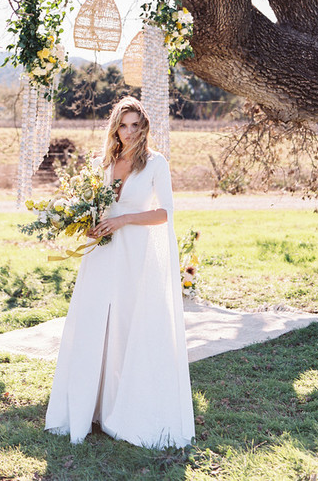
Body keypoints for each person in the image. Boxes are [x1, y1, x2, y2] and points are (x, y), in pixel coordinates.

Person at [45, 97, 195, 449]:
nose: (129, 132)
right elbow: (96, 207)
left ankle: (125, 408)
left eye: (135, 125)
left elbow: (164, 214)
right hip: (101, 254)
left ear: (144, 128)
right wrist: (86, 225)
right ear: (115, 127)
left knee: (127, 325)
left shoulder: (156, 164)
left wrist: (124, 219)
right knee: (95, 322)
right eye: (123, 125)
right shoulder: (102, 163)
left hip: (133, 253)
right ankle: (89, 407)